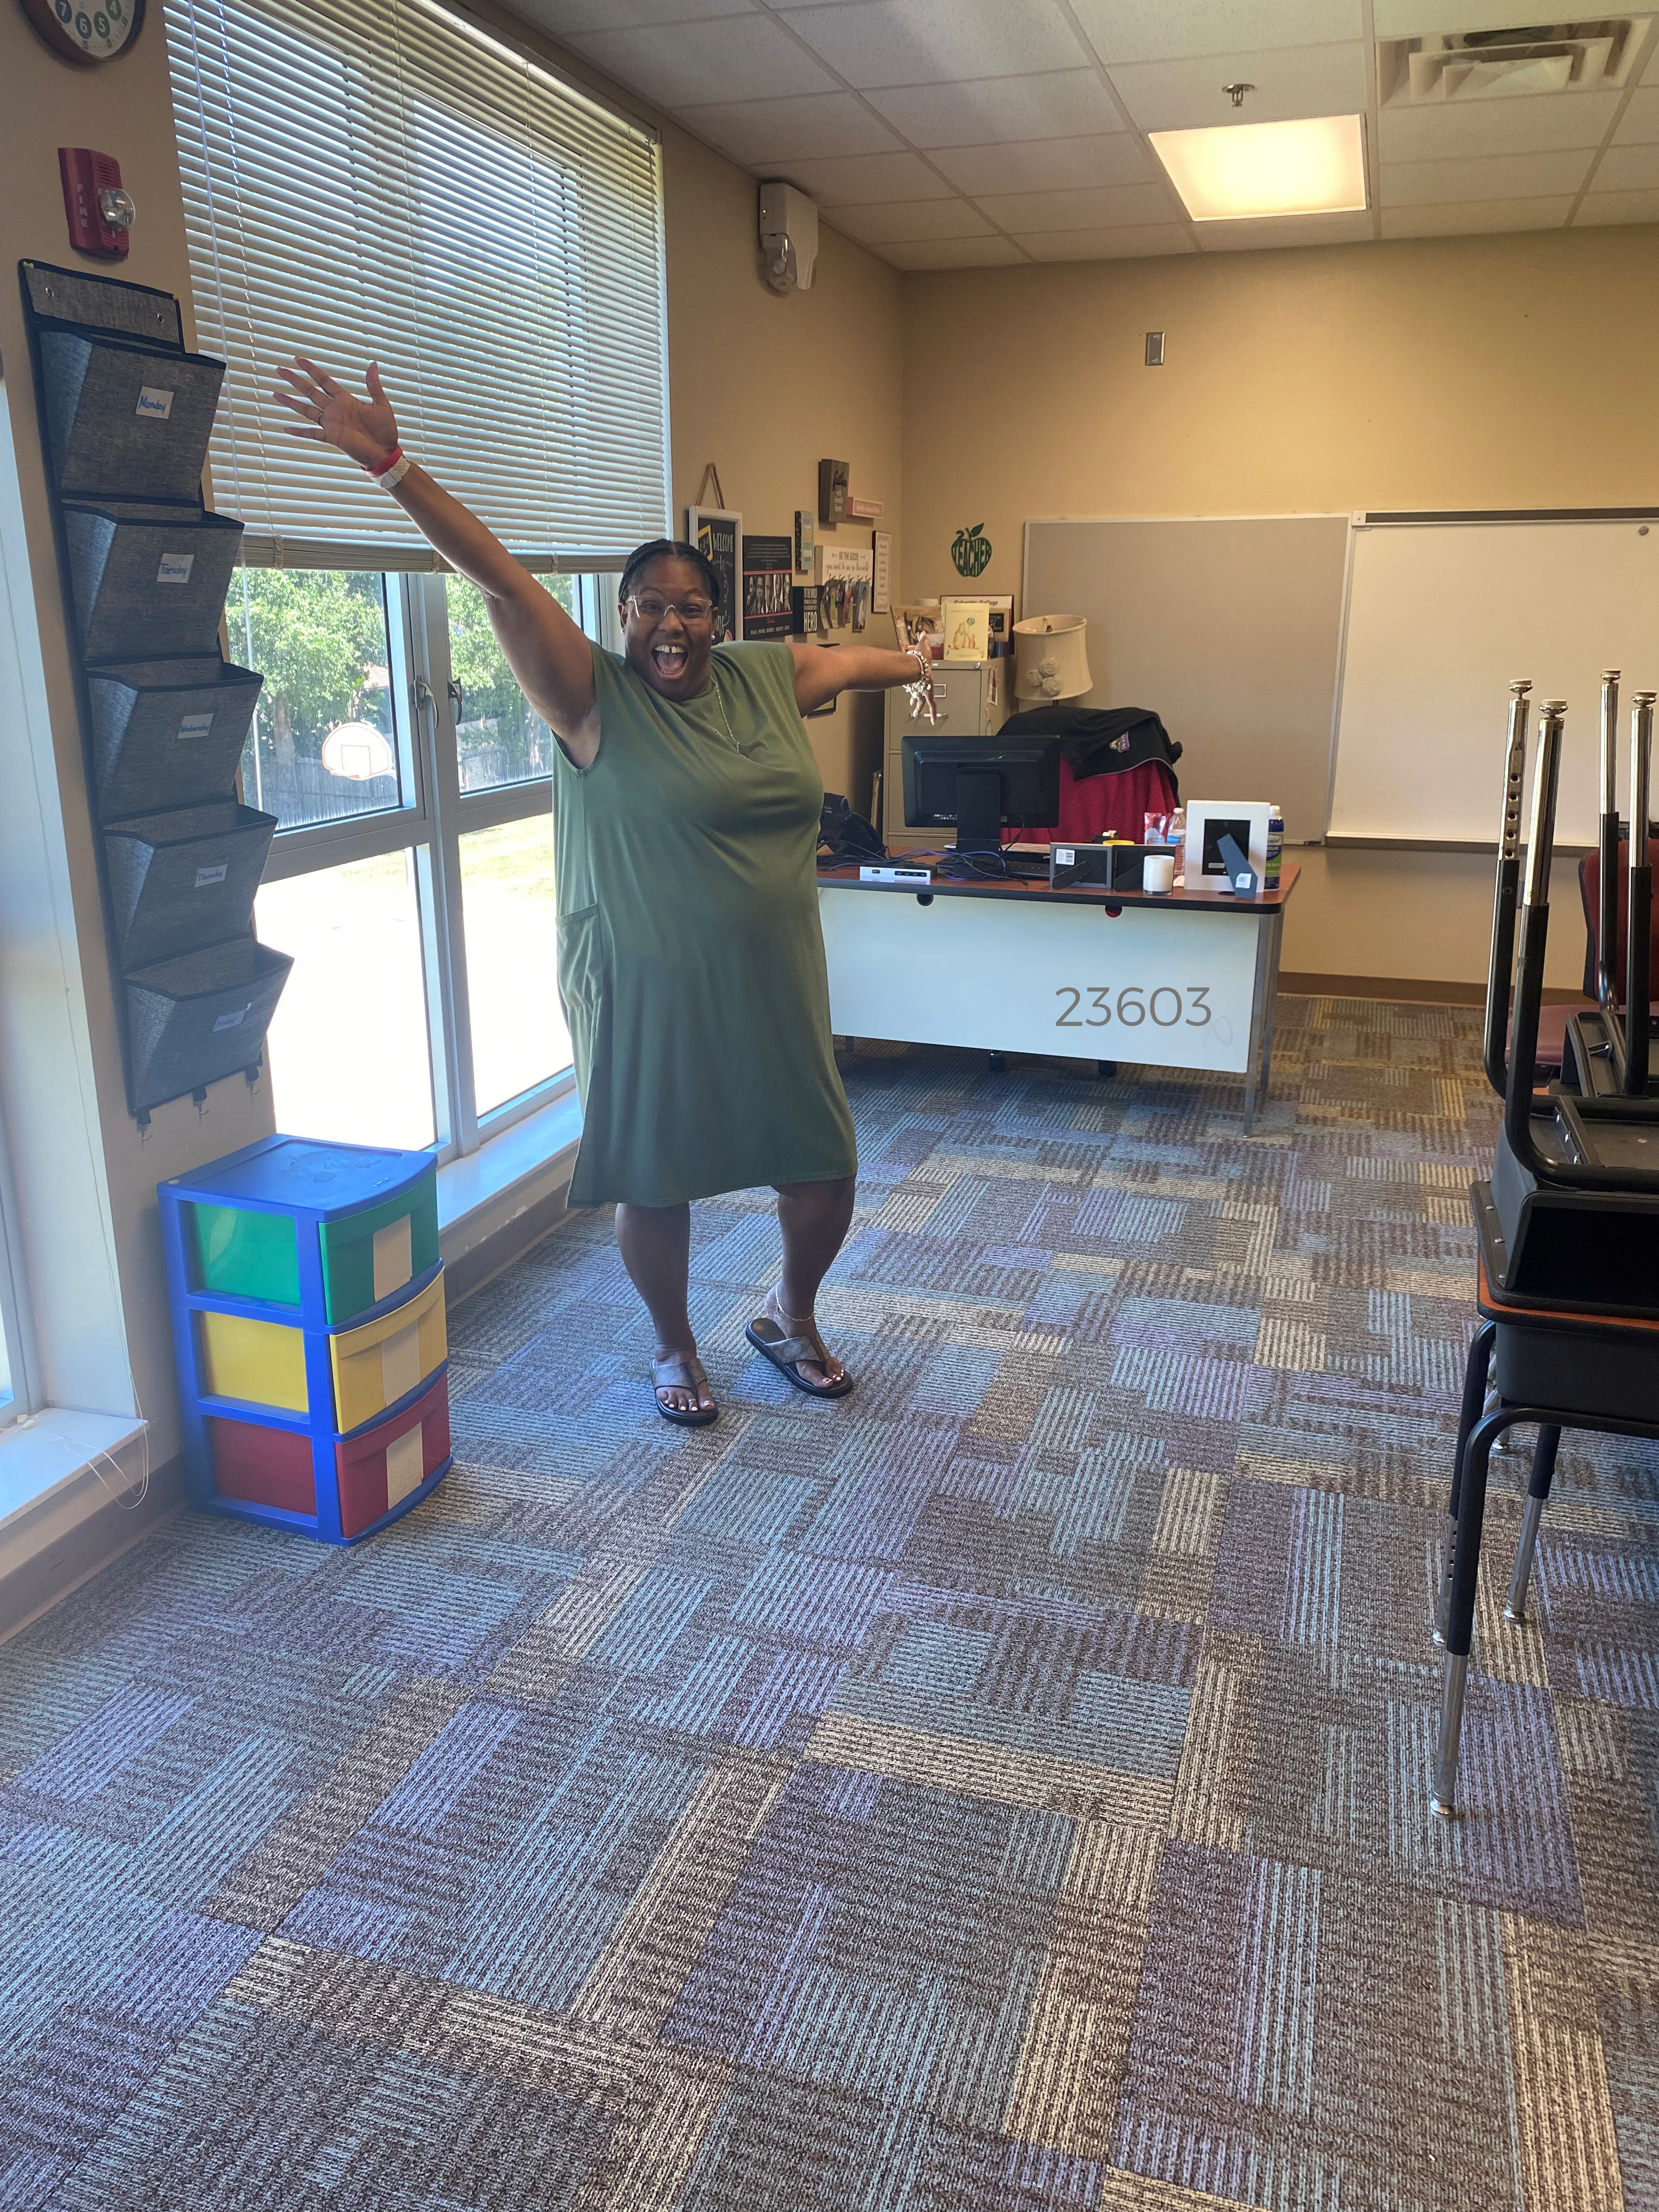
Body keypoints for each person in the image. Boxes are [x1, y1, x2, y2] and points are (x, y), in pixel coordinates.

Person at [275, 357, 938, 1426]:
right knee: (656, 1171)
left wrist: (907, 664)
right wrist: (392, 466)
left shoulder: (769, 678)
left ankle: (788, 1313)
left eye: (689, 610)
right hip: (642, 978)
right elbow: (496, 574)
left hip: (775, 975)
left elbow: (843, 663)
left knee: (821, 1164)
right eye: (648, 610)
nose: (669, 629)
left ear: (718, 619)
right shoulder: (589, 696)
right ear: (624, 614)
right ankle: (675, 1346)